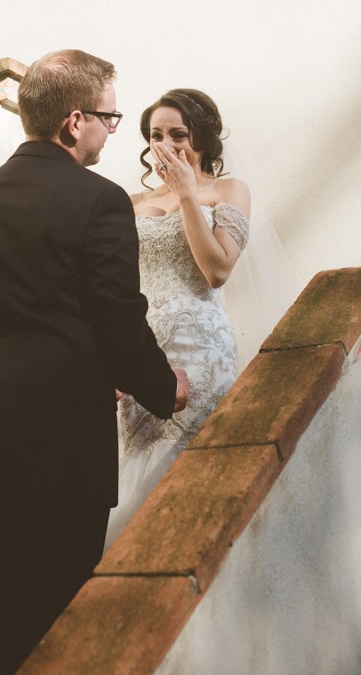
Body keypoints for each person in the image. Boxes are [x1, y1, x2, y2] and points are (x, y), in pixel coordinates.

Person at [0, 50, 188, 675]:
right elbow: (118, 317)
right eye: (110, 117)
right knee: (49, 628)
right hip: (56, 453)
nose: (110, 131)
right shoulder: (98, 201)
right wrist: (162, 386)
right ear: (75, 122)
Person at [104, 88, 251, 549]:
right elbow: (114, 289)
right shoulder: (126, 203)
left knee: (194, 466)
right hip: (143, 353)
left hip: (200, 348)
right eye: (156, 135)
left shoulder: (228, 191)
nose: (165, 146)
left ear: (202, 139)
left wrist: (188, 194)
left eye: (179, 135)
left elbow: (216, 270)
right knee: (142, 470)